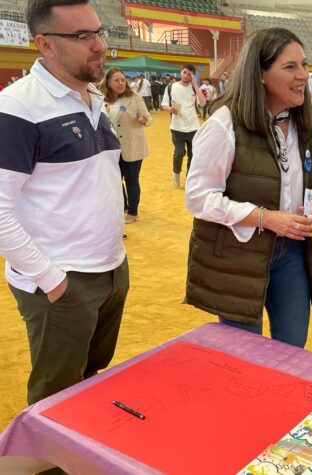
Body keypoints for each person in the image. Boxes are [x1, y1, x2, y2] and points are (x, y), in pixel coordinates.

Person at [0, 0, 129, 411]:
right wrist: (52, 280)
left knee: (87, 382)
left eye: (99, 32)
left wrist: (116, 267)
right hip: (62, 280)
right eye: (81, 36)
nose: (98, 46)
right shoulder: (18, 107)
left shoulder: (92, 99)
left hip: (109, 270)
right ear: (45, 45)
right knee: (55, 399)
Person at [185, 27, 312, 349]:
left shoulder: (305, 125)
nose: (303, 75)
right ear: (260, 74)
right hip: (240, 255)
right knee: (246, 361)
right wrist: (265, 218)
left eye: (304, 65)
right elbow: (198, 197)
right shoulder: (224, 123)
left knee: (292, 350)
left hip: (292, 253)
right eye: (290, 67)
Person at [99, 67, 151, 224]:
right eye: (116, 80)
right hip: (110, 148)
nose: (121, 83)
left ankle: (133, 212)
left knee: (131, 180)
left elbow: (147, 117)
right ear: (108, 82)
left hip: (132, 145)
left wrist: (144, 120)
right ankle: (124, 206)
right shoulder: (100, 99)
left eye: (123, 79)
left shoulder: (134, 97)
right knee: (115, 180)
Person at [161, 63, 206, 188]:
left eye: (189, 74)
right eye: (185, 72)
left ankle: (189, 178)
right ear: (181, 72)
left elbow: (202, 103)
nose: (186, 75)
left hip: (194, 127)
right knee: (179, 153)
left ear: (193, 76)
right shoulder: (171, 87)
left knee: (193, 154)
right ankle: (176, 173)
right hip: (177, 127)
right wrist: (169, 109)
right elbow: (163, 105)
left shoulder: (194, 88)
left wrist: (196, 85)